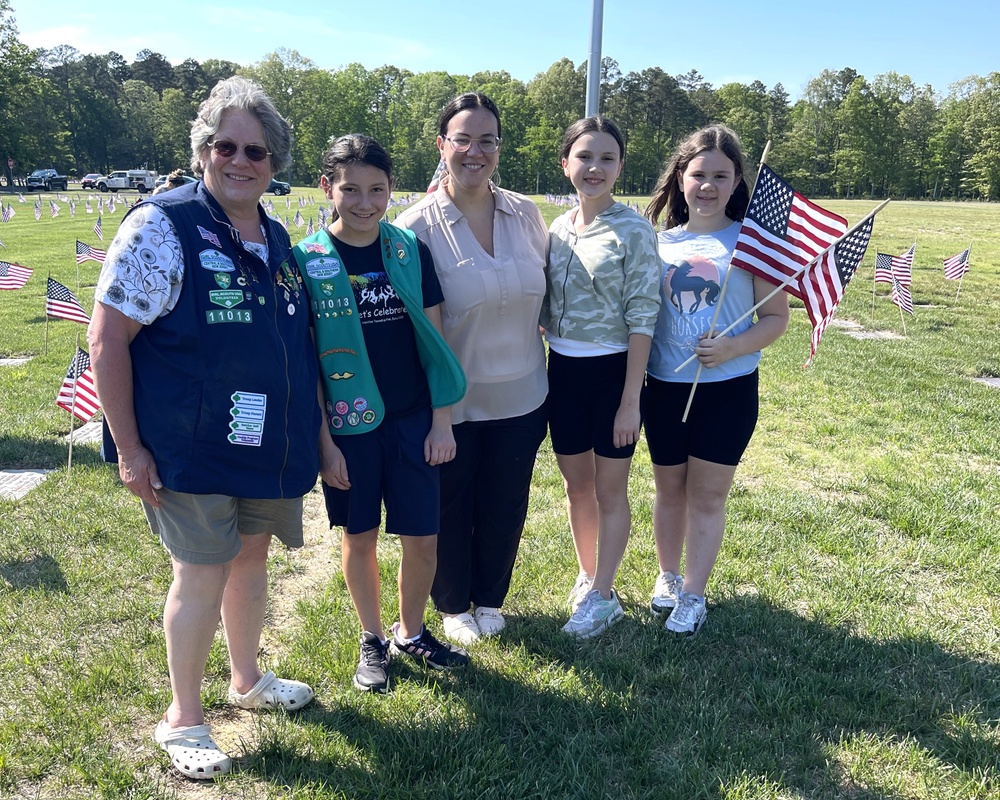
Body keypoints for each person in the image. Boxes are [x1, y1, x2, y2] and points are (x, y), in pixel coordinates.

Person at [87, 76, 320, 780]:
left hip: (263, 445)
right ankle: (182, 717)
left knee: (251, 560)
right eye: (226, 146)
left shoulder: (276, 237)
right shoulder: (162, 224)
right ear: (202, 151)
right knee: (201, 573)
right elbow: (106, 340)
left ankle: (246, 680)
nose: (240, 160)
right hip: (187, 446)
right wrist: (130, 451)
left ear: (274, 162)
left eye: (256, 150)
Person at [293, 133, 469, 694]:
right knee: (360, 534)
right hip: (350, 427)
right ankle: (372, 638)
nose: (364, 202)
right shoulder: (308, 259)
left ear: (392, 189)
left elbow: (436, 340)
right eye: (350, 189)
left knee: (423, 536)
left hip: (415, 419)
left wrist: (442, 420)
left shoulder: (408, 250)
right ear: (328, 188)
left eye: (377, 189)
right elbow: (307, 364)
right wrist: (325, 443)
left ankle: (411, 631)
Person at [394, 93, 549, 645]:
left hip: (525, 397)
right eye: (462, 139)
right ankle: (453, 603)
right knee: (452, 508)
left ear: (499, 149)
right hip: (452, 405)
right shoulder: (414, 227)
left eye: (487, 140)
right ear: (442, 146)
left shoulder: (527, 213)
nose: (474, 152)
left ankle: (490, 598)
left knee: (506, 506)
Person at [642, 125, 789, 637]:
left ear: (736, 181)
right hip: (663, 386)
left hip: (727, 390)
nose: (707, 185)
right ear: (680, 178)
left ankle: (695, 594)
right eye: (698, 174)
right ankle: (667, 575)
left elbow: (775, 320)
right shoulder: (657, 242)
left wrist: (730, 346)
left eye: (719, 176)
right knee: (669, 489)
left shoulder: (752, 243)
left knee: (707, 494)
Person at [540, 116, 661, 639]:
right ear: (566, 163)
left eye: (607, 158)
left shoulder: (633, 230)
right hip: (561, 372)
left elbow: (643, 318)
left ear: (620, 167)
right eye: (584, 156)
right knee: (576, 487)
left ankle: (605, 596)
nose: (595, 167)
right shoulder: (556, 230)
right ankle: (588, 574)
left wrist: (630, 401)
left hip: (614, 374)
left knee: (611, 490)